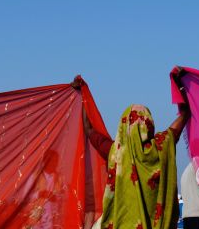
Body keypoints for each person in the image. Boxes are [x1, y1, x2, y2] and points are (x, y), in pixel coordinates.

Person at [71, 74, 190, 229]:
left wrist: (82, 95)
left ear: (123, 125)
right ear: (149, 125)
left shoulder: (115, 153)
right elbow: (184, 116)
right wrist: (183, 86)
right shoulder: (160, 148)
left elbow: (89, 129)